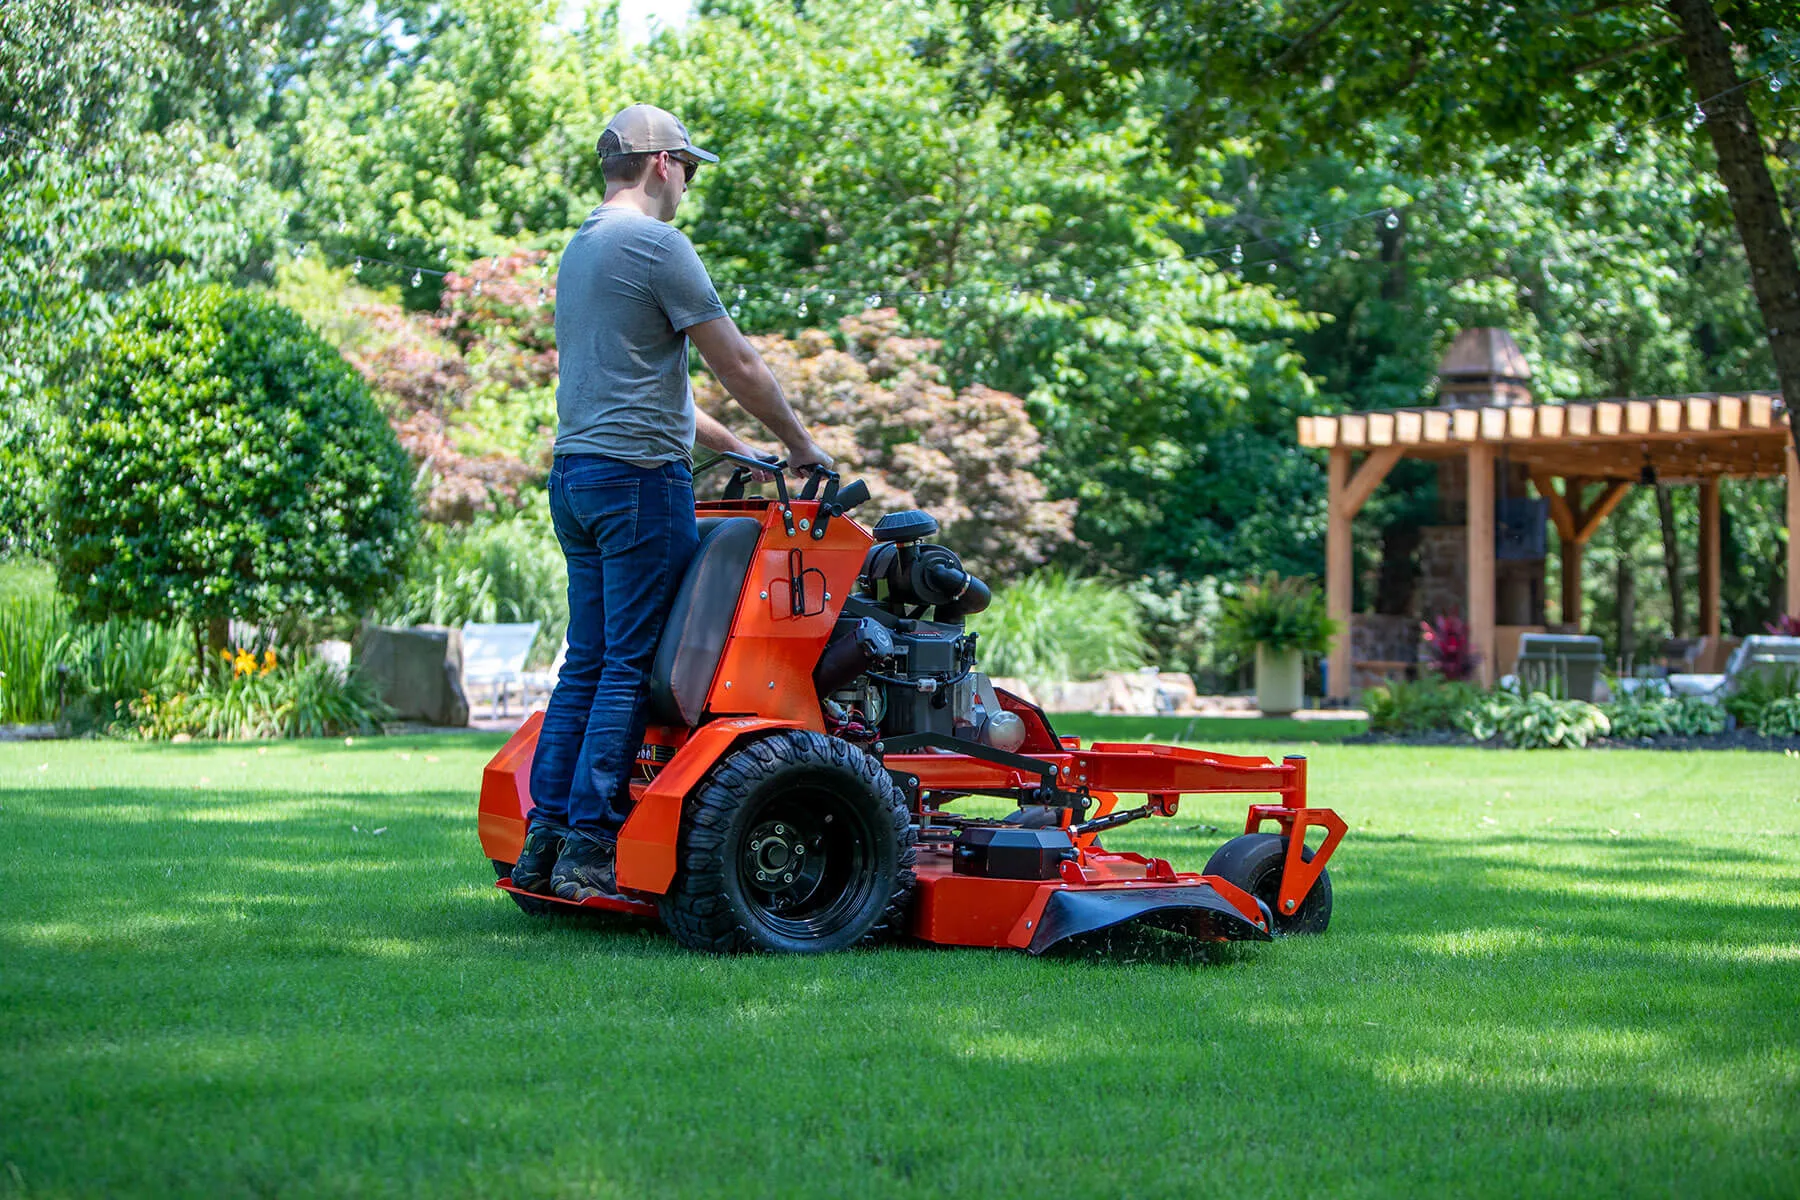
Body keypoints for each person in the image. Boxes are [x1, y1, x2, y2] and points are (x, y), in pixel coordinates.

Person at [512, 103, 833, 902]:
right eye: (688, 166)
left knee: (585, 662)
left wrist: (735, 451)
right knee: (627, 667)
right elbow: (739, 365)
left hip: (578, 478)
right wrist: (799, 445)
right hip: (636, 481)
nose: (688, 181)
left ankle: (543, 844)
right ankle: (590, 849)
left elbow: (658, 390)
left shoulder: (583, 249)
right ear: (664, 165)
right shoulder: (659, 245)